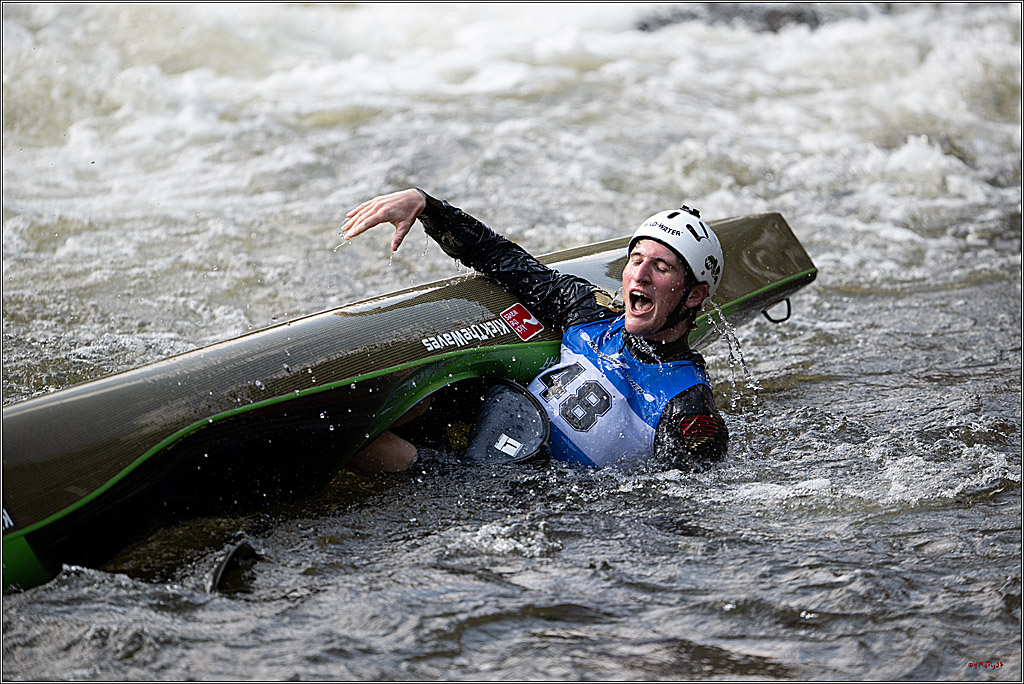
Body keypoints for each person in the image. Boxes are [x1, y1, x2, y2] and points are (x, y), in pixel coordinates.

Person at [342, 188, 728, 472]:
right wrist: (427, 206)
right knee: (418, 403)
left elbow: (678, 510)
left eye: (660, 268)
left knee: (361, 447)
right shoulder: (586, 313)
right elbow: (503, 259)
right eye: (636, 260)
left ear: (694, 295)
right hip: (492, 443)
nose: (639, 276)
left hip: (516, 497)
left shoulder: (686, 406)